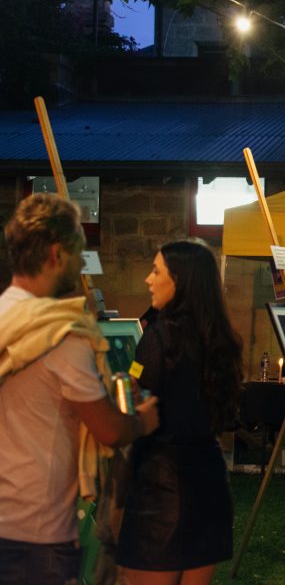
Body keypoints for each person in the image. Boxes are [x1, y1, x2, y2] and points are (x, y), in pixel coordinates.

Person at [0, 194, 159, 585]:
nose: (81, 262)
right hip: (36, 529)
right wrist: (142, 421)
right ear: (57, 253)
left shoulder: (5, 315)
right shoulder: (60, 333)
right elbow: (108, 430)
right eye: (79, 252)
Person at [116, 240, 243, 584]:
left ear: (180, 281)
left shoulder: (159, 338)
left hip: (161, 489)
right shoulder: (222, 340)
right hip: (209, 484)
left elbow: (132, 413)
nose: (147, 279)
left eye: (156, 271)